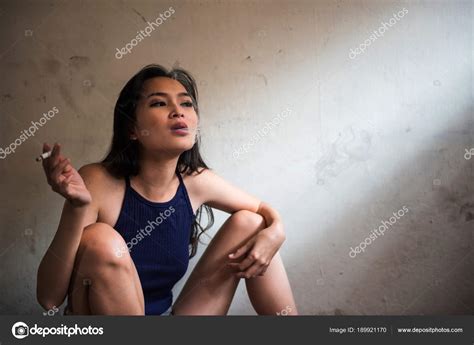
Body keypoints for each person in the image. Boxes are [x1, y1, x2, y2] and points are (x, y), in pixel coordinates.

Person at [36, 64, 297, 315]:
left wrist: (276, 232)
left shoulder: (196, 181)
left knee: (253, 223)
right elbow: (49, 298)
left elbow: (263, 210)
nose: (178, 112)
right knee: (102, 239)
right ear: (132, 129)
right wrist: (76, 206)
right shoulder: (98, 180)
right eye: (159, 103)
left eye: (186, 103)